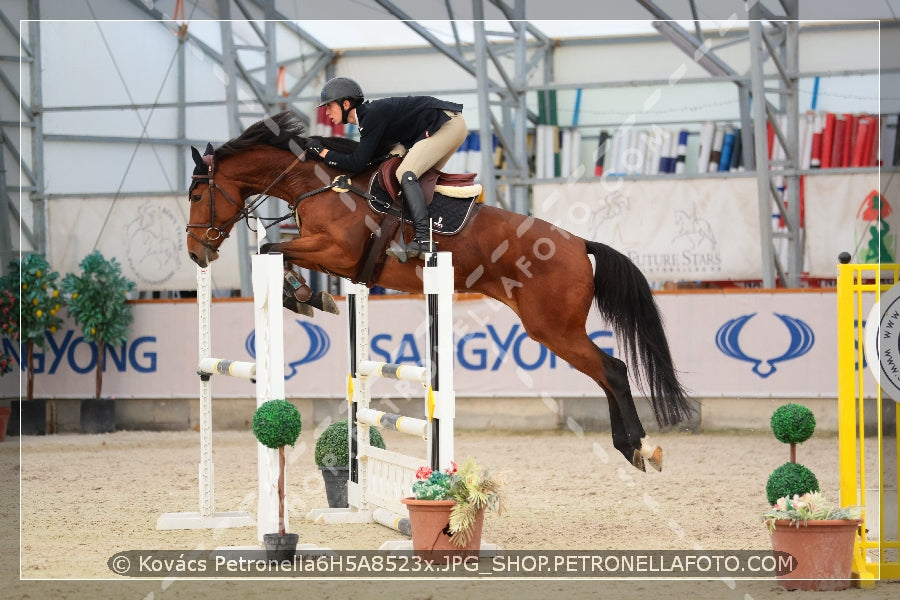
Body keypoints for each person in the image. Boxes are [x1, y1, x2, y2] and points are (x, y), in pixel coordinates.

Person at [305, 77, 467, 262]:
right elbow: (369, 159)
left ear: (346, 104)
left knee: (405, 173)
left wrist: (323, 152)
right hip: (444, 126)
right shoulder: (368, 118)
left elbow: (357, 162)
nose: (326, 113)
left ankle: (423, 239)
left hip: (447, 125)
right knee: (408, 174)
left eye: (329, 106)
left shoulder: (370, 116)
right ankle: (437, 230)